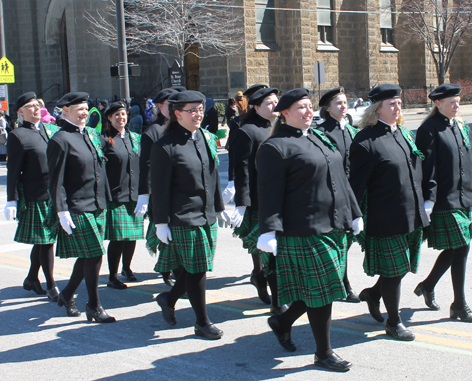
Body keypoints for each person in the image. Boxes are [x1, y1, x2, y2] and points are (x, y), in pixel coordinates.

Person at [256, 88, 363, 372]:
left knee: (319, 287)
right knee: (324, 291)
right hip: (302, 229)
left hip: (333, 225)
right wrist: (268, 231)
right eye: (301, 108)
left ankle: (283, 321)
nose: (307, 112)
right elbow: (268, 193)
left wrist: (355, 213)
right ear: (285, 113)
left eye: (309, 107)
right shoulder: (275, 147)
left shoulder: (319, 136)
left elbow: (341, 178)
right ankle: (324, 352)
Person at [350, 84, 429, 341]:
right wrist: (353, 215)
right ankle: (394, 323)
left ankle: (373, 294)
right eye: (391, 104)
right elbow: (355, 185)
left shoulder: (404, 133)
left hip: (411, 213)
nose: (398, 108)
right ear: (377, 109)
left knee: (401, 267)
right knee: (395, 271)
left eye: (399, 103)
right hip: (385, 218)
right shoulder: (365, 141)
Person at [150, 90, 230, 340]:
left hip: (205, 213)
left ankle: (168, 298)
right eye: (191, 111)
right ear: (177, 114)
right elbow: (159, 188)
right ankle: (202, 322)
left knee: (193, 267)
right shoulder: (165, 146)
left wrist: (219, 206)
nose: (198, 114)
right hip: (183, 215)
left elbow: (213, 174)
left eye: (200, 109)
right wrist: (160, 222)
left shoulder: (204, 138)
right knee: (197, 270)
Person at [414, 84, 472, 323]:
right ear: (438, 104)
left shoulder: (461, 126)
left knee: (458, 247)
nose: (457, 106)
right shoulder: (428, 128)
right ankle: (459, 304)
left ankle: (428, 285)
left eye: (458, 102)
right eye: (452, 102)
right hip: (444, 199)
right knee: (461, 246)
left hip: (463, 197)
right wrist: (429, 198)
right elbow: (428, 167)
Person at [47, 92, 115, 323]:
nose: (84, 112)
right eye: (79, 109)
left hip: (97, 203)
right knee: (95, 253)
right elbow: (56, 180)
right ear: (65, 111)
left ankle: (67, 294)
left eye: (86, 108)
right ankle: (94, 305)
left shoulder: (90, 135)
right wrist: (61, 210)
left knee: (87, 255)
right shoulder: (60, 139)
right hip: (77, 206)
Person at [5, 92, 60, 301]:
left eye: (38, 105)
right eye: (30, 106)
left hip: (52, 194)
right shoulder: (18, 135)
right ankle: (51, 285)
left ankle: (31, 279)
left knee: (43, 241)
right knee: (46, 242)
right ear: (20, 112)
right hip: (35, 195)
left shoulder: (47, 130)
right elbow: (13, 171)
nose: (36, 109)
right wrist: (12, 199)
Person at [229, 87, 280, 310]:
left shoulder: (280, 128)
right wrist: (242, 203)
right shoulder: (247, 131)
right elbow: (243, 170)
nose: (275, 106)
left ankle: (260, 277)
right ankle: (275, 298)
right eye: (269, 103)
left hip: (280, 199)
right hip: (260, 201)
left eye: (276, 102)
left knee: (277, 251)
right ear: (257, 107)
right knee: (267, 253)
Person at [317, 86, 360, 303]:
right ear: (328, 108)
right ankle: (342, 283)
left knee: (347, 242)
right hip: (334, 196)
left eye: (345, 102)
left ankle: (341, 281)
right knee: (339, 242)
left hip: (352, 194)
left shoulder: (350, 130)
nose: (344, 107)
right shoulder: (322, 132)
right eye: (339, 103)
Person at [137, 88, 179, 287]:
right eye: (169, 105)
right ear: (160, 106)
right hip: (159, 190)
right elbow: (145, 166)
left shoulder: (180, 126)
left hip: (178, 189)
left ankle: (175, 267)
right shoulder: (152, 131)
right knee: (164, 230)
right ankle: (166, 268)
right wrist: (144, 195)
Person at [102, 101, 144, 289]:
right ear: (110, 119)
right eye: (116, 115)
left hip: (134, 195)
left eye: (123, 114)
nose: (121, 117)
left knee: (132, 236)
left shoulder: (134, 138)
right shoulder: (104, 140)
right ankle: (112, 275)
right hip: (116, 195)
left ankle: (127, 268)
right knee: (118, 238)